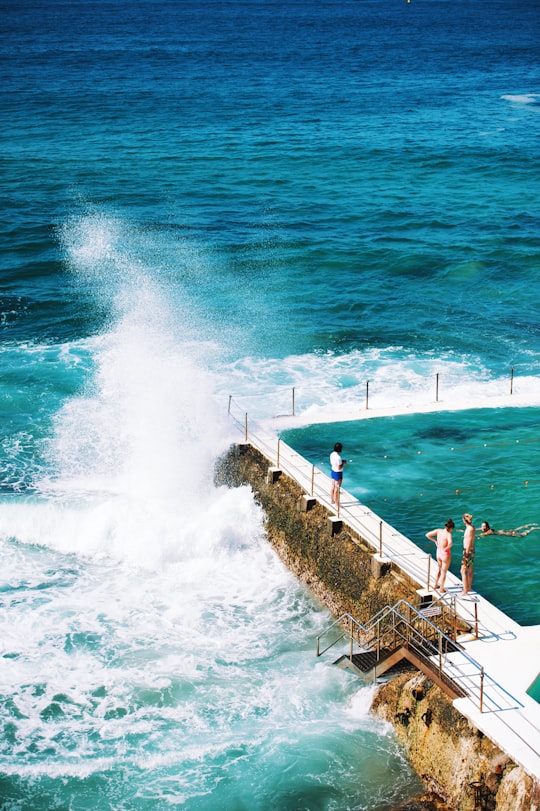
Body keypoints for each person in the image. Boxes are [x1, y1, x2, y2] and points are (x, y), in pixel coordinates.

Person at [426, 519, 454, 593]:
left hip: (438, 552)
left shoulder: (439, 531)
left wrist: (435, 541)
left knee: (439, 569)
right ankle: (441, 589)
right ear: (451, 528)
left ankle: (435, 584)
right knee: (444, 572)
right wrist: (446, 548)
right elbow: (450, 543)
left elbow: (427, 535)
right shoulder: (448, 534)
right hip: (445, 554)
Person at [460, 513, 476, 597]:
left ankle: (465, 590)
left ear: (464, 520)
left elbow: (469, 542)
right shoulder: (471, 528)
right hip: (470, 551)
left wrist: (466, 553)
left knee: (463, 570)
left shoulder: (469, 529)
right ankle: (469, 587)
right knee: (469, 569)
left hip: (468, 551)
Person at [329, 442, 347, 506]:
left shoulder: (332, 454)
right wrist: (343, 463)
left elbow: (333, 463)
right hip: (338, 473)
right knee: (337, 488)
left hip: (333, 471)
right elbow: (339, 467)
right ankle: (337, 503)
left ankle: (332, 500)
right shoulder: (338, 457)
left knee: (333, 486)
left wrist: (341, 462)